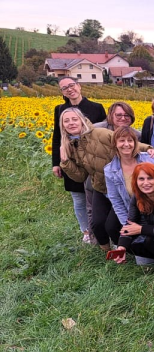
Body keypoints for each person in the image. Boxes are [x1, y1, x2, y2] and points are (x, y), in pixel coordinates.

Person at [57, 109, 154, 249]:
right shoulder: (70, 145)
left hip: (118, 186)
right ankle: (108, 254)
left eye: (74, 119)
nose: (71, 123)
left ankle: (127, 250)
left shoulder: (100, 134)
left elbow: (125, 143)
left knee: (113, 225)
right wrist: (65, 162)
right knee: (97, 224)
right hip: (100, 187)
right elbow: (80, 177)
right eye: (66, 121)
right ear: (63, 126)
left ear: (81, 120)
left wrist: (148, 148)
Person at [104, 126, 154, 243]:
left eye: (130, 140)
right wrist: (129, 228)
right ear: (115, 143)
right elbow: (116, 201)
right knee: (143, 253)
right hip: (137, 213)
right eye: (121, 140)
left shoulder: (151, 158)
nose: (126, 144)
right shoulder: (110, 170)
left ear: (135, 143)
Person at [52, 78, 106, 243]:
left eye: (71, 85)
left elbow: (104, 131)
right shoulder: (60, 109)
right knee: (78, 197)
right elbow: (57, 137)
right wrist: (56, 162)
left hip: (93, 160)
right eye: (64, 88)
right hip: (71, 160)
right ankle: (86, 232)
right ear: (62, 92)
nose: (69, 90)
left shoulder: (96, 108)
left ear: (79, 86)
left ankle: (100, 232)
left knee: (96, 198)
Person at [112, 163, 154, 265]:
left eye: (150, 178)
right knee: (129, 243)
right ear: (136, 181)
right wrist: (121, 247)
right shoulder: (137, 197)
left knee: (150, 240)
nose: (146, 183)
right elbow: (130, 223)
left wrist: (141, 229)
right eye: (141, 179)